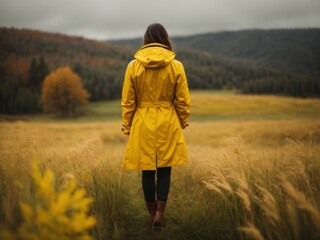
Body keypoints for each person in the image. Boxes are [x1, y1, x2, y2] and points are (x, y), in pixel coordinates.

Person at [121, 23, 191, 230]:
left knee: (147, 170)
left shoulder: (133, 66)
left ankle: (151, 214)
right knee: (165, 168)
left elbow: (128, 101)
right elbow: (183, 100)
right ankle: (161, 212)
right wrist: (183, 120)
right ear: (165, 38)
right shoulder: (176, 66)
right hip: (168, 120)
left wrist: (127, 125)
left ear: (146, 39)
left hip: (142, 121)